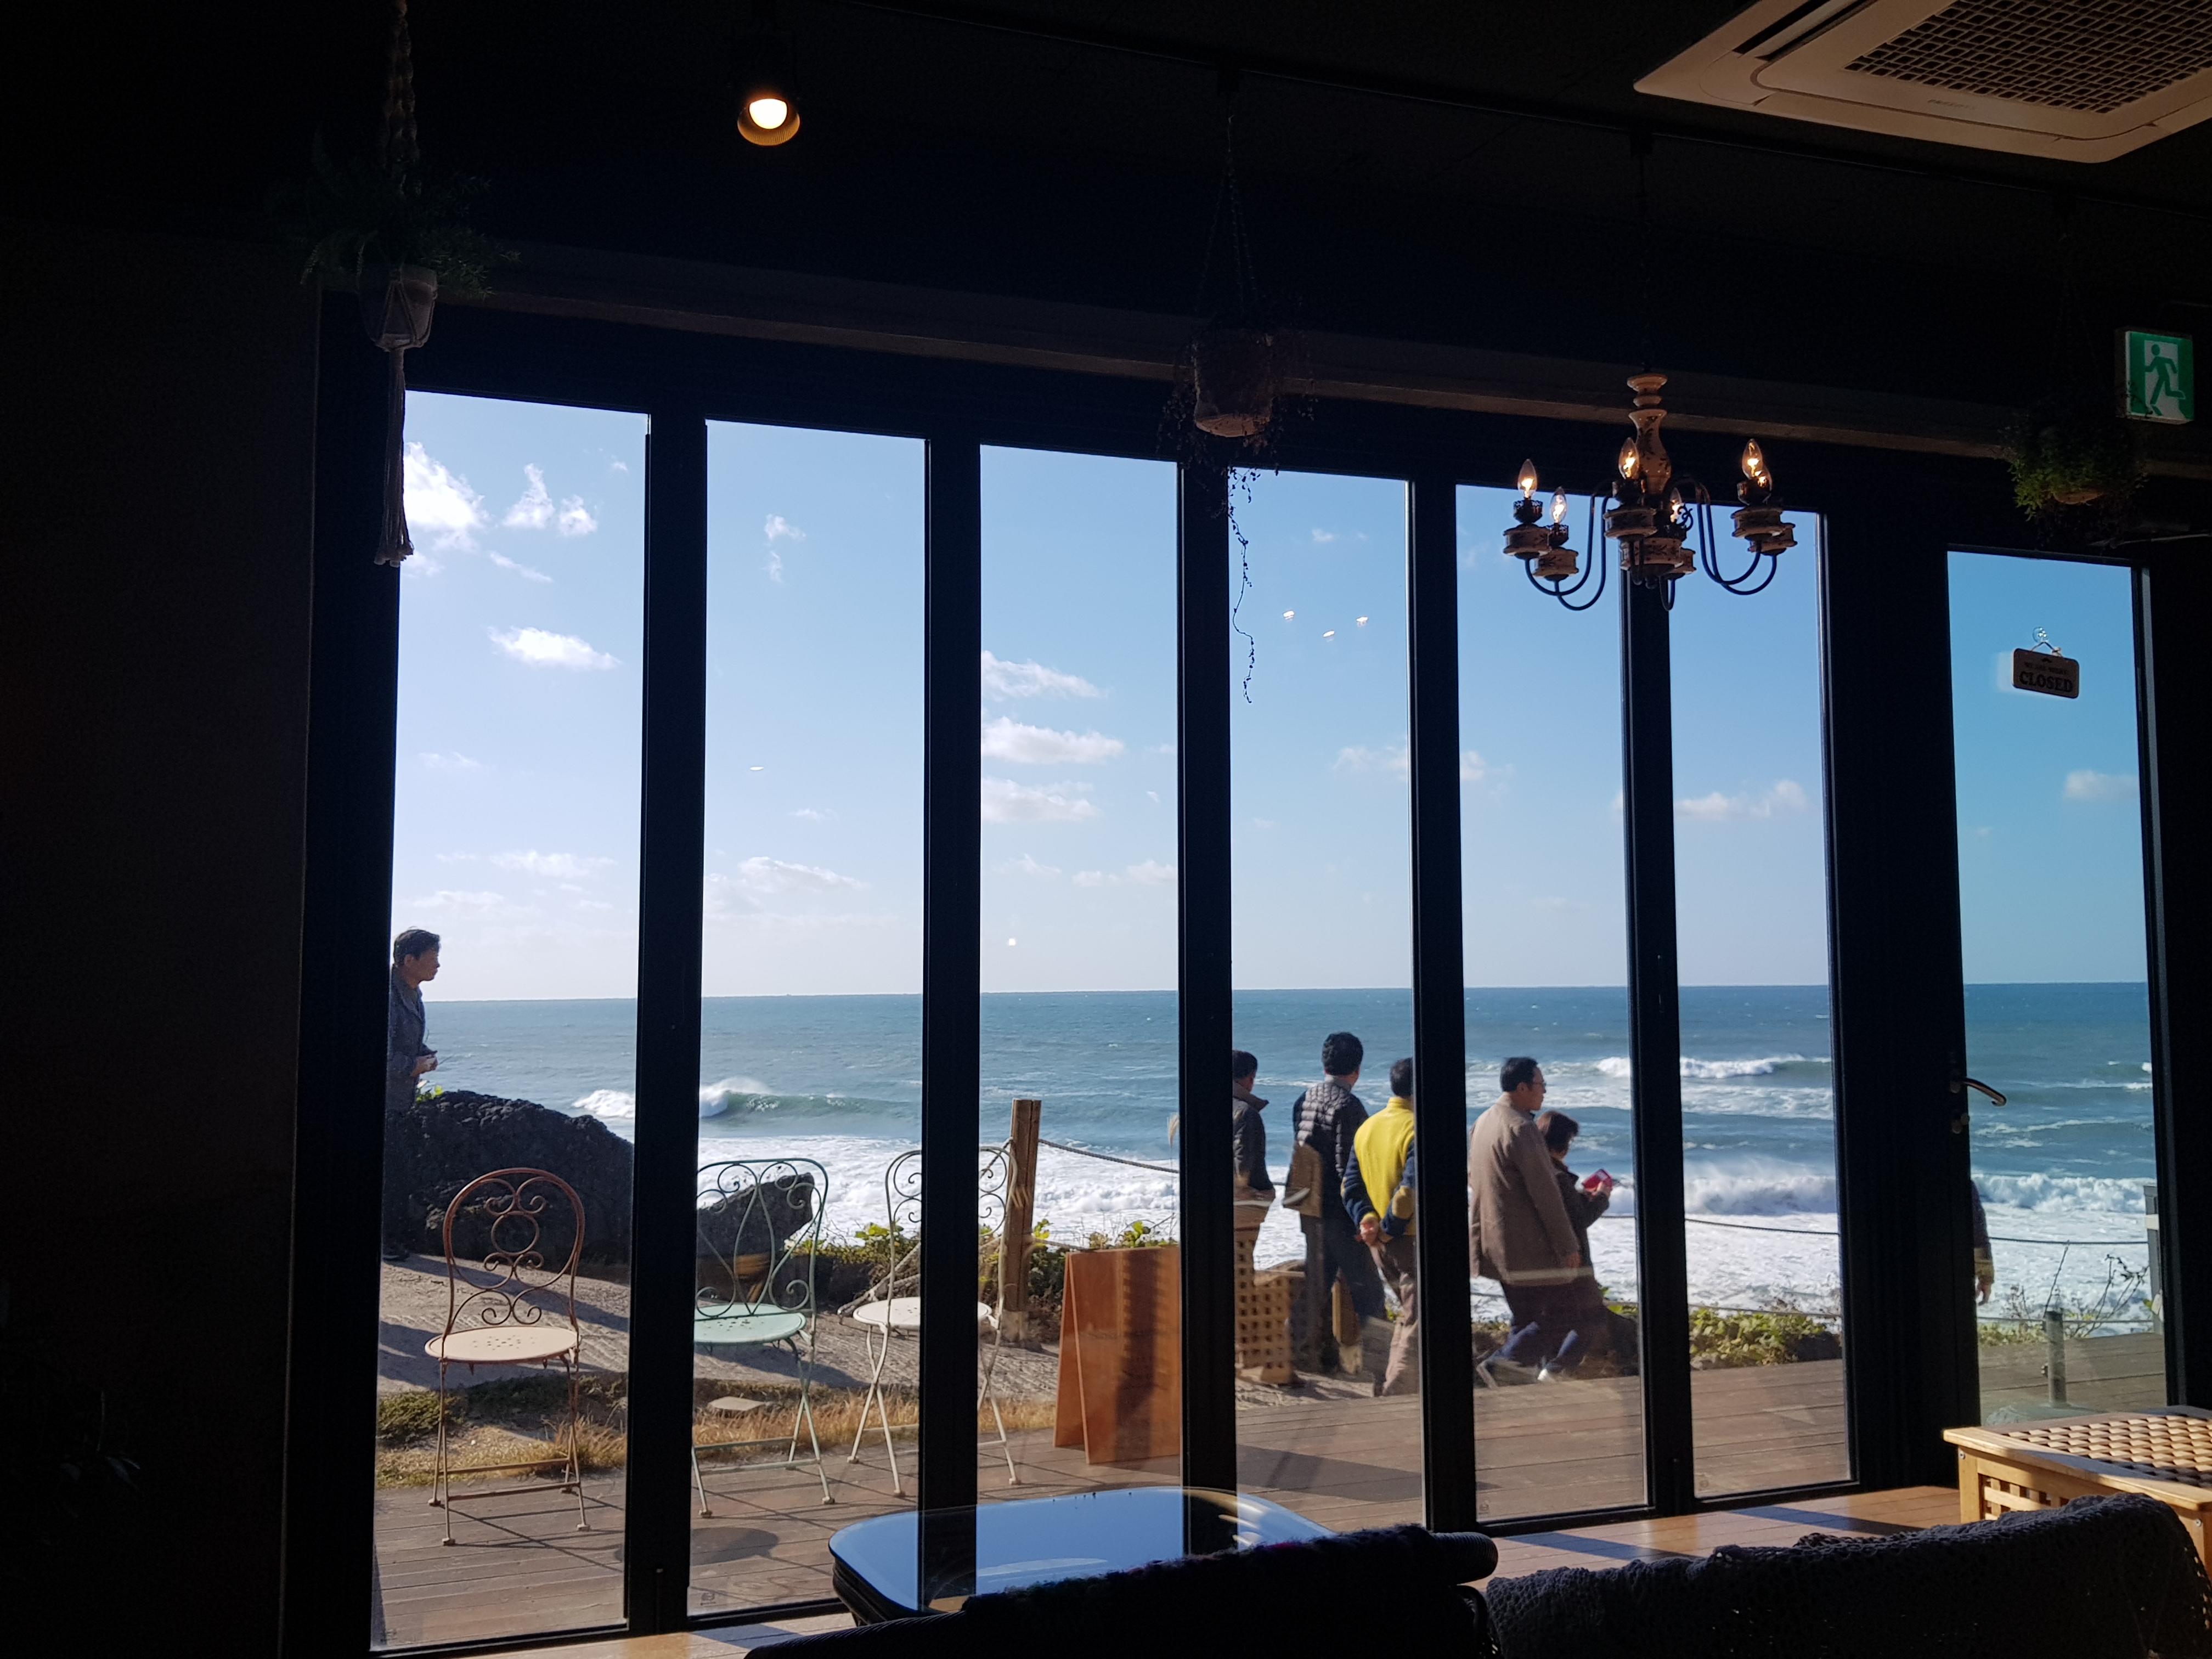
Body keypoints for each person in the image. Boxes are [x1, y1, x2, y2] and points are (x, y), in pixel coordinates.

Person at [1468, 1057, 1582, 1384]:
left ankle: (1511, 1384)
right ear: (1522, 1088)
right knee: (1565, 1316)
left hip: (1492, 1240)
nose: (1544, 1092)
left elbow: (1474, 1178)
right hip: (1526, 1247)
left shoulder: (1483, 1122)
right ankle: (1495, 1369)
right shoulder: (1521, 1128)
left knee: (1524, 1318)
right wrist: (1567, 1245)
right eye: (1541, 1085)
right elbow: (1546, 1194)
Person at [1290, 1031, 1388, 1379]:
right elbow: (1349, 1168)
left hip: (1310, 1206)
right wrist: (1363, 1215)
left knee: (1316, 1285)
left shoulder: (1305, 1099)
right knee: (1369, 1292)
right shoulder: (1348, 1106)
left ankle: (1290, 1353)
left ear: (1325, 1064)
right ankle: (1383, 1368)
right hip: (1340, 1214)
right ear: (1357, 1069)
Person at [1534, 1109, 1632, 1377]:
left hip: (1544, 1258)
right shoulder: (1559, 1177)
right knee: (1592, 1316)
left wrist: (1581, 1196)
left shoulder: (1540, 1171)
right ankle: (1556, 1370)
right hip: (1573, 1258)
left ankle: (1546, 1369)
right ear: (1563, 1142)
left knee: (1555, 1317)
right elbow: (1580, 1221)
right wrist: (1602, 1197)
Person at [1344, 1056, 1421, 1396]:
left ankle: (1385, 1382)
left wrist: (1368, 1222)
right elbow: (1409, 1191)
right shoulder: (1416, 1128)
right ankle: (1395, 1392)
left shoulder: (1369, 1127)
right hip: (1409, 1239)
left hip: (1380, 1243)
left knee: (1407, 1315)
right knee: (1417, 1320)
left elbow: (1350, 1186)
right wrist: (1390, 1227)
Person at [387, 927, 441, 1112]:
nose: (438, 965)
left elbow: (402, 1040)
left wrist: (424, 1054)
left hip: (402, 1101)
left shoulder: (412, 992)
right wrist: (415, 1065)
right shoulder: (390, 997)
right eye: (433, 958)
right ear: (409, 961)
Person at [1232, 1050, 1275, 1241]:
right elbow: (1243, 1163)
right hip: (1244, 1201)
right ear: (1250, 1078)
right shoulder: (1246, 1112)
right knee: (1242, 1253)